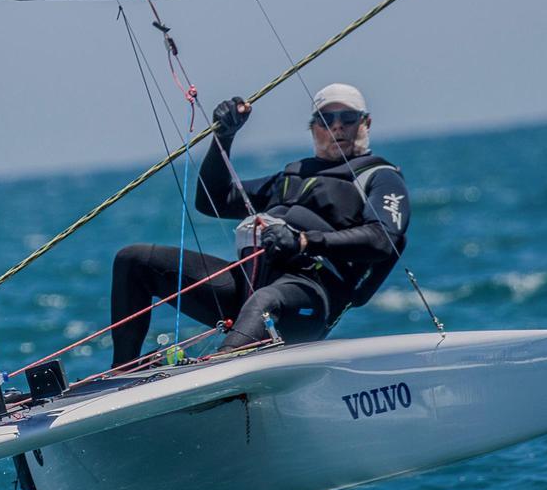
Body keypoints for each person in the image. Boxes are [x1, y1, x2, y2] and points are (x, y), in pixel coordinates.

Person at [110, 83, 410, 367]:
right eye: (325, 118)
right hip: (250, 284)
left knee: (265, 299)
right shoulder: (292, 176)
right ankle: (120, 374)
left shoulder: (380, 177)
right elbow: (213, 200)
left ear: (366, 123)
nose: (337, 126)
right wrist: (223, 137)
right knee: (133, 260)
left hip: (308, 295)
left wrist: (304, 241)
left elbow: (383, 238)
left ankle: (220, 367)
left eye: (348, 118)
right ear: (313, 127)